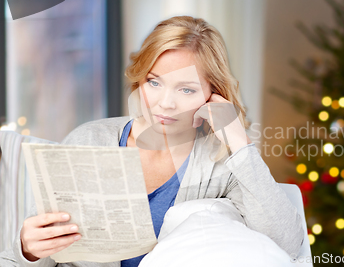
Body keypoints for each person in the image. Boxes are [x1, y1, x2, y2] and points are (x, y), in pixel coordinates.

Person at [0, 16, 304, 267]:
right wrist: (28, 249)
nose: (164, 104)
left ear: (214, 94)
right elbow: (27, 257)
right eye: (154, 82)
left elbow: (286, 245)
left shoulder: (221, 160)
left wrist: (239, 144)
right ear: (139, 79)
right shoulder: (89, 139)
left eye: (186, 89)